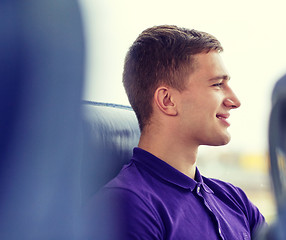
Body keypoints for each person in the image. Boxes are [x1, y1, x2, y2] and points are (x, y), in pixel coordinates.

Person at [84, 25, 266, 240]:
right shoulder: (125, 205)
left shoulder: (235, 200)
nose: (235, 101)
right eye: (217, 84)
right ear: (167, 101)